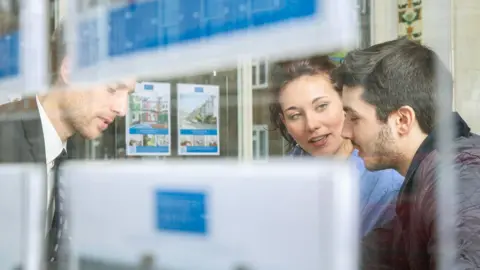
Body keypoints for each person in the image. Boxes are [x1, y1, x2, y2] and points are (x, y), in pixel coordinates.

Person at [335, 37, 480, 269]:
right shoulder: (426, 180)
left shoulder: (459, 178)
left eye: (354, 118)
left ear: (402, 120)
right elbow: (377, 254)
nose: (344, 131)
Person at [0, 23, 134, 269]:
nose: (122, 109)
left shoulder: (68, 158)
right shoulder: (5, 141)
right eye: (113, 88)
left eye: (129, 95)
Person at [269, 56, 404, 236]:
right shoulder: (284, 175)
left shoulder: (388, 184)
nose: (311, 125)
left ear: (344, 102)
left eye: (321, 106)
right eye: (295, 115)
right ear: (283, 121)